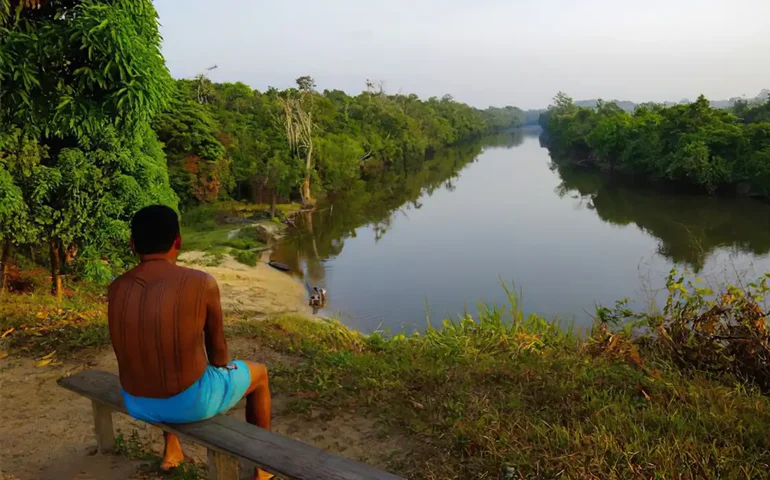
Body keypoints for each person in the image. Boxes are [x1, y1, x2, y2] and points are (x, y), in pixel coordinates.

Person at [107, 205, 272, 480]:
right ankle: (264, 469)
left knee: (158, 357)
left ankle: (172, 449)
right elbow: (219, 356)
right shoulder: (201, 282)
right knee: (260, 375)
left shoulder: (116, 287)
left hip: (136, 401)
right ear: (178, 241)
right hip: (190, 402)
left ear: (132, 244)